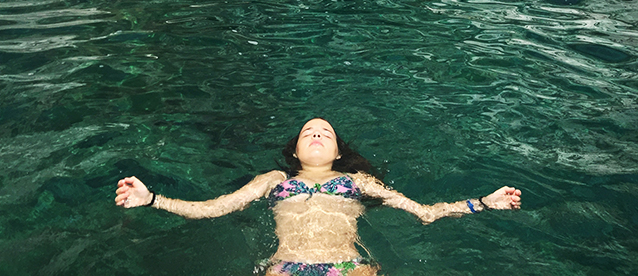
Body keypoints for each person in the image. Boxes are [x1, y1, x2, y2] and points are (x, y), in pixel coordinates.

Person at [115, 117, 522, 275]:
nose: (316, 134)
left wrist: (482, 203)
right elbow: (213, 209)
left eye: (325, 132)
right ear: (294, 151)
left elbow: (426, 213)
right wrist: (153, 200)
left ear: (338, 152)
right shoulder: (274, 179)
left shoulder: (361, 182)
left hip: (350, 268)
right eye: (308, 131)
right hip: (285, 268)